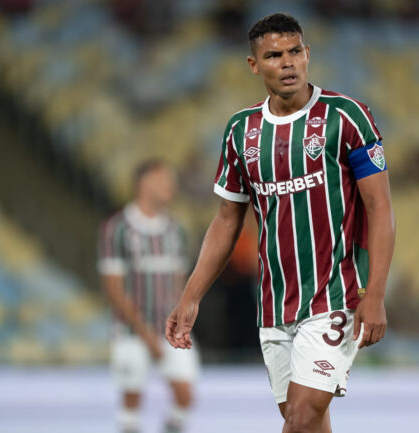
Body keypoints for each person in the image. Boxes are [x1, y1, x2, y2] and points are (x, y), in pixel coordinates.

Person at [165, 13, 395, 433]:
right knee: (308, 422)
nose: (287, 62)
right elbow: (226, 221)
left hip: (335, 295)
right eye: (274, 55)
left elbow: (380, 207)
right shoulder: (241, 131)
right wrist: (191, 297)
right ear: (254, 65)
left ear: (307, 54)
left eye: (295, 52)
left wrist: (374, 294)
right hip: (274, 304)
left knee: (301, 417)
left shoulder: (347, 117)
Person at [98, 159, 198, 433]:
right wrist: (145, 333)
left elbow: (180, 283)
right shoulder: (117, 228)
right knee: (131, 398)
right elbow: (113, 289)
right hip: (131, 330)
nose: (171, 186)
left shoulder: (176, 229)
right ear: (144, 183)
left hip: (170, 329)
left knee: (185, 395)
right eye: (164, 180)